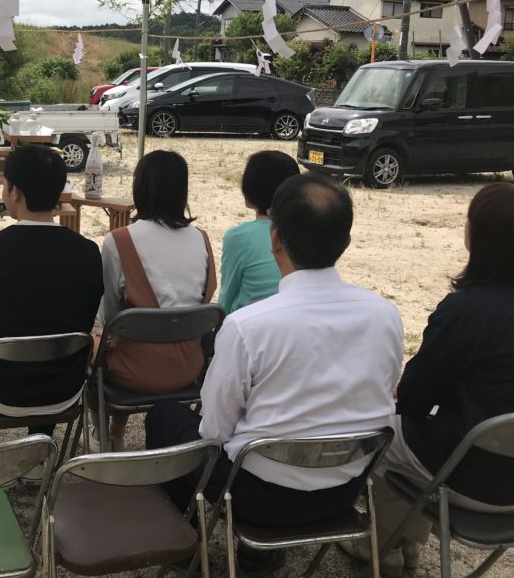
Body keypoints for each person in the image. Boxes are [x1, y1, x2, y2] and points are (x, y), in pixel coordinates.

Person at [146, 173, 403, 576]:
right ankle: (256, 555)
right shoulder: (386, 315)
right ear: (346, 241)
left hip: (256, 498)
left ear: (275, 239)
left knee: (164, 417)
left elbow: (214, 432)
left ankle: (184, 544)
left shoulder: (249, 325)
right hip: (344, 492)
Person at [342, 182, 514, 577]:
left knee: (383, 428)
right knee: (425, 435)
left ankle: (381, 547)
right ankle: (406, 545)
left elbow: (414, 398)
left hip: (474, 480)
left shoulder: (467, 310)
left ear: (481, 238)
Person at [0, 143, 103, 445]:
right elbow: (84, 319)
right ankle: (40, 442)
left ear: (14, 191)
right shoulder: (88, 252)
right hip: (64, 385)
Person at [95, 150, 217, 451]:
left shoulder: (118, 241)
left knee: (99, 343)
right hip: (188, 368)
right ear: (182, 191)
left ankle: (105, 436)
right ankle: (116, 430)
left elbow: (108, 316)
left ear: (139, 188)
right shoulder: (201, 239)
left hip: (131, 372)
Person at [219, 150, 299, 315]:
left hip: (250, 321)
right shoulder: (304, 231)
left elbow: (226, 297)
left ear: (250, 187)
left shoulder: (238, 237)